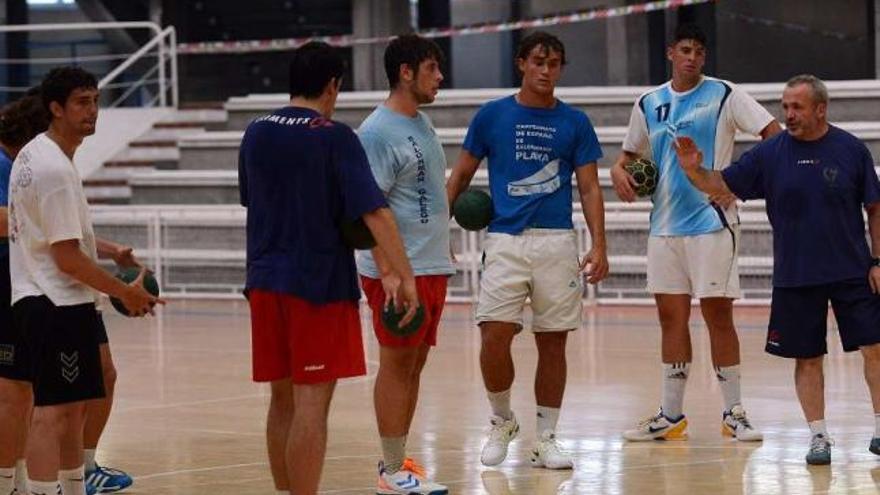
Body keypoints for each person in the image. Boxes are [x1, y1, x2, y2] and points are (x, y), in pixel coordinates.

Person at [238, 41, 420, 495]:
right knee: (311, 405)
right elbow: (375, 212)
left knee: (282, 402)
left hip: (263, 282)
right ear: (333, 84)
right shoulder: (334, 136)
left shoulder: (255, 132)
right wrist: (404, 275)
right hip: (316, 285)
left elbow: (251, 199)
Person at [674, 74, 880, 465]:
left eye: (797, 107)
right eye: (785, 107)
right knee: (807, 358)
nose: (788, 115)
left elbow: (875, 208)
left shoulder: (851, 149)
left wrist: (877, 261)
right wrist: (693, 170)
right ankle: (818, 437)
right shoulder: (769, 155)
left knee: (875, 348)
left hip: (853, 270)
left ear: (821, 109)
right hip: (796, 273)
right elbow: (720, 185)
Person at [610, 24, 782, 442]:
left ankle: (733, 413)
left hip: (711, 224)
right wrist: (618, 171)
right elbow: (629, 155)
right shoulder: (649, 102)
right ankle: (671, 417)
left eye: (699, 51)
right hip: (664, 228)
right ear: (671, 53)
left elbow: (774, 137)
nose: (692, 57)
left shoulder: (724, 93)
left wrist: (736, 181)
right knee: (671, 318)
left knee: (718, 316)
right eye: (685, 49)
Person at [446, 31, 608, 469]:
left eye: (554, 63)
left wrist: (599, 243)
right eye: (538, 61)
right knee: (494, 337)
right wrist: (438, 231)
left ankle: (547, 437)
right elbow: (459, 177)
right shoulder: (492, 115)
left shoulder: (575, 122)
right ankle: (502, 420)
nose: (546, 70)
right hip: (504, 239)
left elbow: (590, 187)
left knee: (552, 344)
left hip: (557, 241)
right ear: (521, 63)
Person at [8, 67, 161, 495]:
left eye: (95, 100)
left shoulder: (34, 153)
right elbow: (67, 258)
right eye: (81, 102)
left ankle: (73, 486)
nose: (92, 111)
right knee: (53, 413)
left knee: (71, 410)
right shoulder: (54, 170)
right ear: (55, 108)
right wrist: (124, 291)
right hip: (55, 301)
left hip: (44, 299)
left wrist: (109, 254)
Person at [357, 34, 452, 495]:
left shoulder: (423, 123)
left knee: (413, 364)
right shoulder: (376, 132)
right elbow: (367, 208)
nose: (441, 77)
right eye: (433, 68)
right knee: (396, 364)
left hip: (431, 265)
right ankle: (390, 470)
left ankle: (399, 459)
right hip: (399, 272)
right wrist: (391, 271)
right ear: (406, 72)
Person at [0, 89, 49, 495]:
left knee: (22, 390)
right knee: (14, 391)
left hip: (16, 280)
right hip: (4, 281)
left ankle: (16, 478)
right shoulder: (4, 164)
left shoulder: (19, 165)